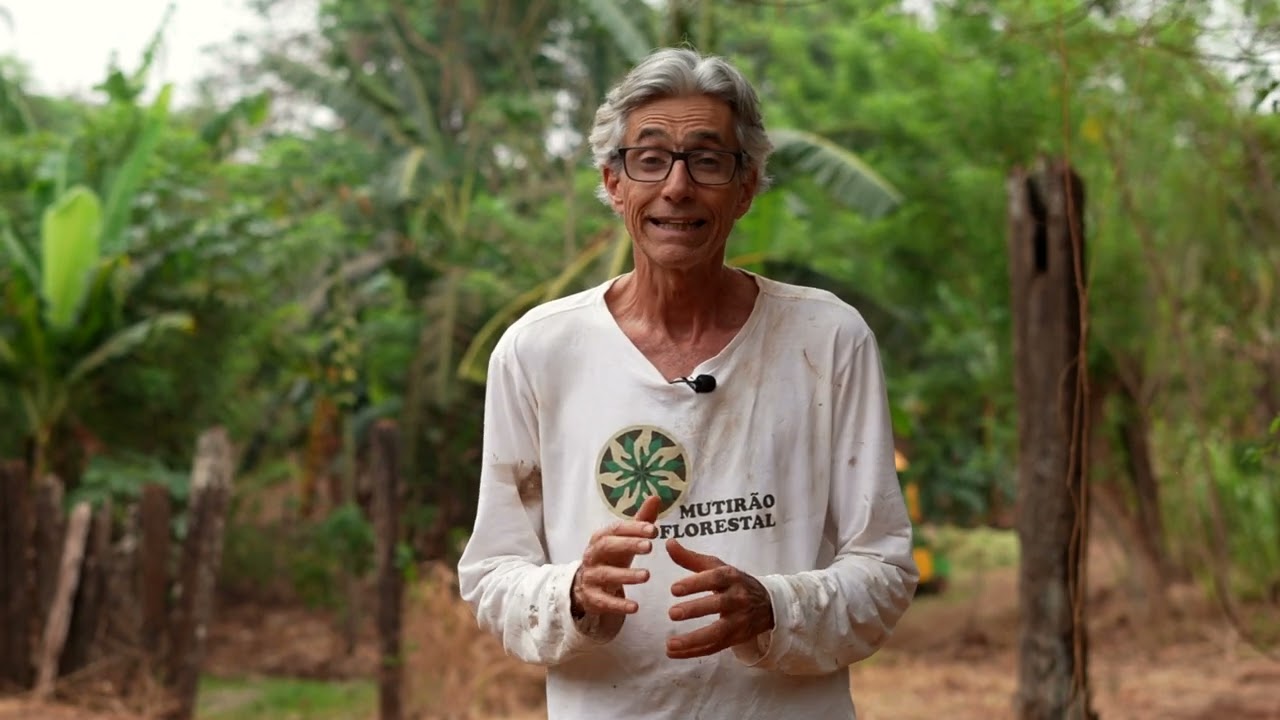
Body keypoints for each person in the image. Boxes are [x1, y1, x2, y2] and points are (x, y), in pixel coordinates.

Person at [457, 47, 918, 719]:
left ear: (746, 186)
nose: (677, 187)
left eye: (706, 160)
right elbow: (493, 576)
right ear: (614, 183)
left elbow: (884, 568)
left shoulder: (827, 339)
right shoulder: (538, 351)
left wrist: (774, 606)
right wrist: (573, 593)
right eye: (649, 159)